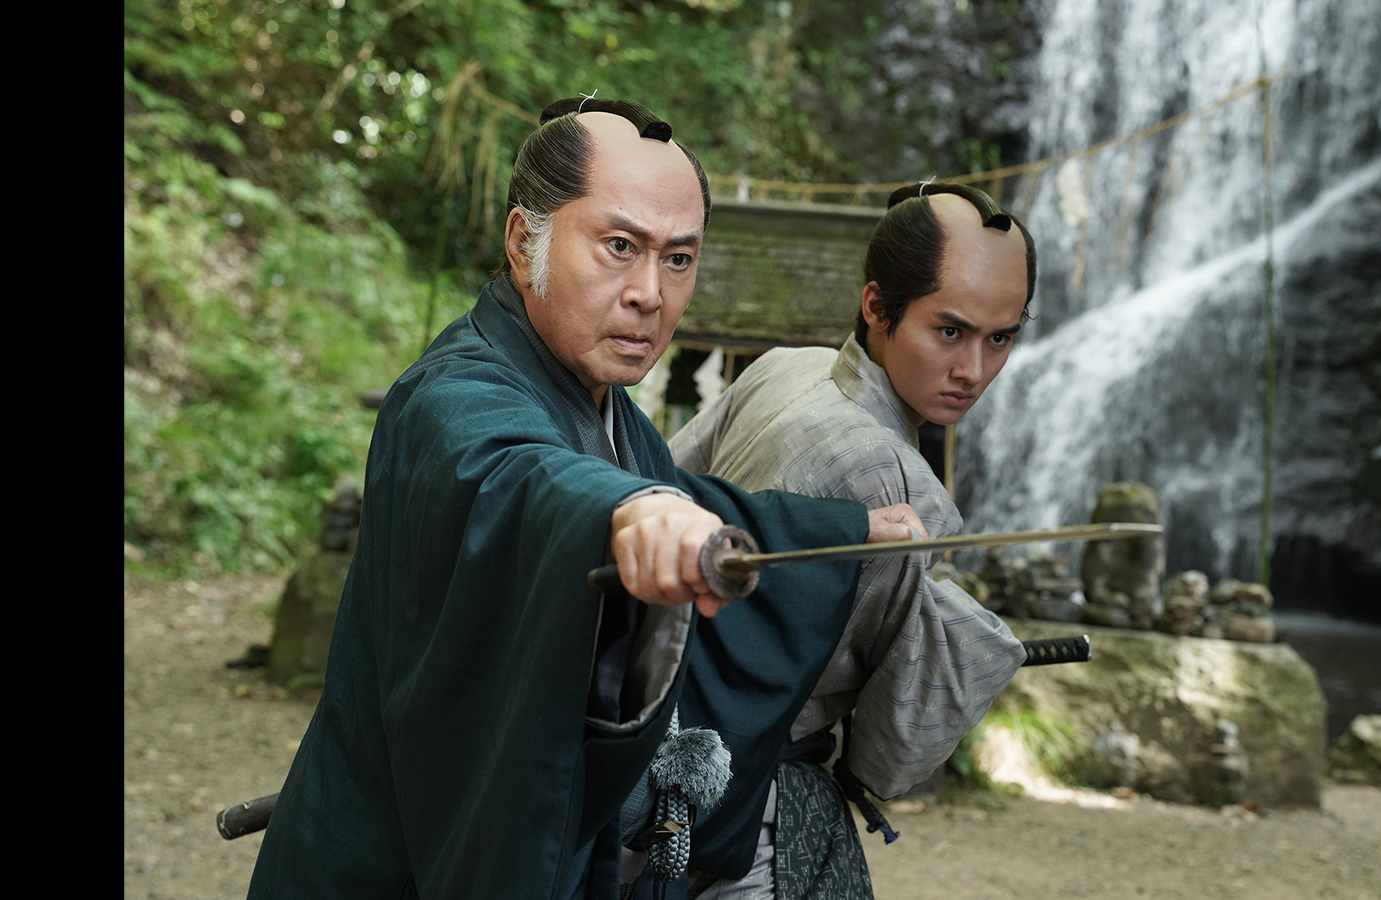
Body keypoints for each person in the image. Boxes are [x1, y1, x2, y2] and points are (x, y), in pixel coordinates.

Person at [246, 97, 926, 900]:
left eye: (679, 258)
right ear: (522, 240)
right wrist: (631, 513)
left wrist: (836, 532)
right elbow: (521, 474)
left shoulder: (611, 410)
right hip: (398, 859)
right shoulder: (451, 395)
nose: (649, 292)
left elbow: (682, 496)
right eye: (619, 246)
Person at [667, 183, 1037, 899]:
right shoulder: (895, 482)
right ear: (877, 307)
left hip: (665, 744)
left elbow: (662, 489)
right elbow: (891, 749)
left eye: (1001, 338)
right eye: (950, 331)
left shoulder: (783, 365)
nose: (973, 370)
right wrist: (974, 642)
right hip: (753, 794)